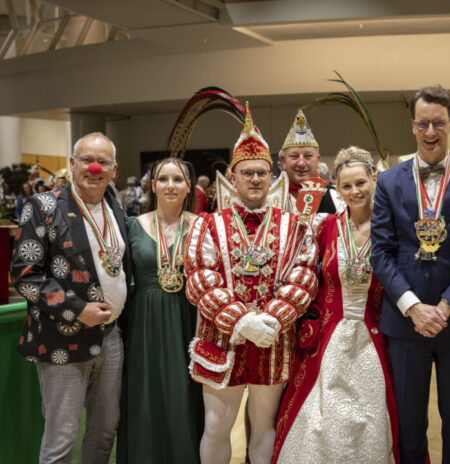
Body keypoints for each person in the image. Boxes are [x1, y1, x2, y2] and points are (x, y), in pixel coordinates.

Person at [370, 85, 450, 463]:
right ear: (412, 125)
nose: (430, 132)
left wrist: (444, 307)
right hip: (405, 323)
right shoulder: (389, 182)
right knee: (409, 427)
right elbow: (381, 253)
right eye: (423, 123)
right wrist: (413, 307)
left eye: (438, 124)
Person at [184, 105, 318, 464]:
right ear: (233, 176)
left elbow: (304, 276)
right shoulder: (207, 225)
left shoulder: (296, 226)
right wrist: (241, 321)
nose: (255, 179)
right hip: (220, 339)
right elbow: (200, 278)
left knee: (265, 426)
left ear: (272, 175)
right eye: (247, 173)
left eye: (261, 172)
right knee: (216, 426)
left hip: (273, 341)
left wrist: (272, 319)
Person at [273, 146, 399, 464]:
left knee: (370, 418)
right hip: (326, 336)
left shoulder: (393, 229)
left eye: (360, 183)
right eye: (346, 186)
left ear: (374, 180)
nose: (355, 191)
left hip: (376, 337)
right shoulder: (324, 227)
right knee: (317, 419)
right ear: (337, 189)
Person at [11, 132, 131, 463]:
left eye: (103, 162)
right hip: (61, 339)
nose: (94, 168)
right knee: (62, 437)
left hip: (111, 338)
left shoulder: (115, 208)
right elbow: (26, 275)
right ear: (72, 164)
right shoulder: (44, 206)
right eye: (86, 160)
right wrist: (78, 310)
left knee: (105, 432)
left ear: (114, 170)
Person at [118, 158, 203, 463]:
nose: (170, 185)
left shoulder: (204, 226)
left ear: (188, 186)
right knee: (146, 394)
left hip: (188, 320)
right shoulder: (130, 226)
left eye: (178, 179)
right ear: (152, 186)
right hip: (144, 323)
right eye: (163, 179)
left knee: (184, 394)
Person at [279, 109, 343, 214]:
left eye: (308, 156)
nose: (301, 163)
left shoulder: (335, 197)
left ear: (318, 161)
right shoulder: (269, 198)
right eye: (294, 156)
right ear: (283, 161)